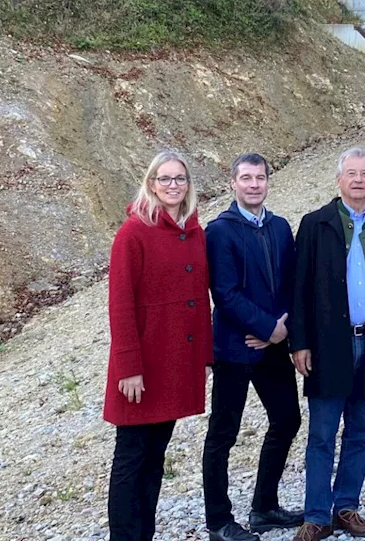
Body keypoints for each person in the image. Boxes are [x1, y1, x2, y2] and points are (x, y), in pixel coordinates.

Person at [289, 148, 365, 541]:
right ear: (339, 179)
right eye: (351, 173)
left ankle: (346, 506)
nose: (358, 180)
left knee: (360, 433)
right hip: (329, 346)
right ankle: (316, 515)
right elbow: (300, 290)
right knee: (322, 435)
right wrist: (300, 342)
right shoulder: (315, 224)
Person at [104, 150, 213, 541]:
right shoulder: (133, 232)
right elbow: (119, 303)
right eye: (164, 179)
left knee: (155, 457)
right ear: (151, 183)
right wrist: (129, 367)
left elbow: (200, 298)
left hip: (173, 363)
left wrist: (202, 355)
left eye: (179, 179)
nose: (172, 185)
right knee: (131, 457)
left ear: (188, 185)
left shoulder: (194, 231)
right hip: (142, 365)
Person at [202, 153, 303, 541]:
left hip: (273, 345)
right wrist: (266, 328)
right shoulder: (220, 231)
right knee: (223, 433)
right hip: (235, 348)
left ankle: (264, 507)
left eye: (260, 178)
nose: (254, 184)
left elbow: (294, 283)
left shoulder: (279, 227)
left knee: (287, 420)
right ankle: (219, 521)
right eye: (246, 178)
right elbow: (224, 293)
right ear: (233, 183)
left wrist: (281, 329)